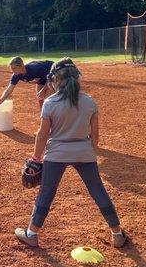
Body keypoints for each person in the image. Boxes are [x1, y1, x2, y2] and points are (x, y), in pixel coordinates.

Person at [14, 58, 127, 248]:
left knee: (46, 193)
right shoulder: (89, 101)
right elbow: (95, 135)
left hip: (56, 153)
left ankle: (31, 234)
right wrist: (90, 153)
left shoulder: (50, 102)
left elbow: (42, 135)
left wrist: (36, 158)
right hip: (84, 152)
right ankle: (117, 234)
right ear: (77, 78)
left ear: (55, 80)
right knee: (98, 191)